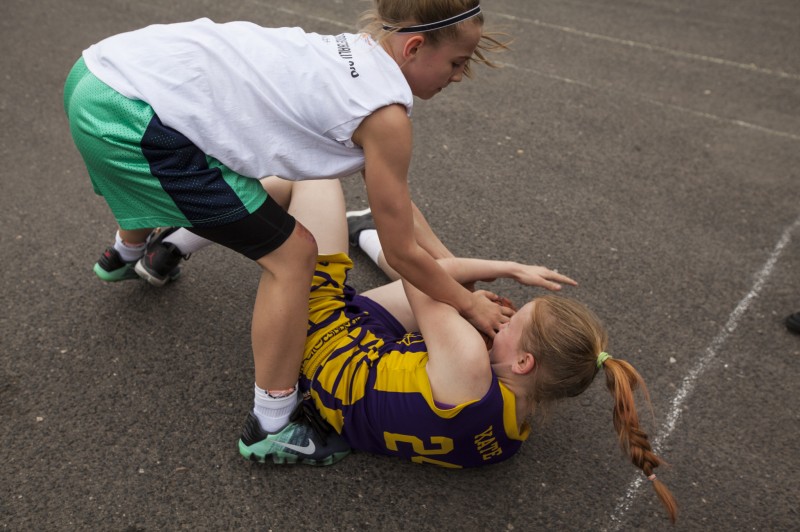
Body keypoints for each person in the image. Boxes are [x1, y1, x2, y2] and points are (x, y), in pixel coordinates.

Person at [63, 1, 513, 464]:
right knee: (294, 256)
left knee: (209, 168)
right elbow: (400, 252)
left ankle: (125, 254)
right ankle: (272, 425)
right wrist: (467, 304)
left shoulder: (360, 54)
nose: (459, 76)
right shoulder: (386, 116)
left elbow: (396, 206)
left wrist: (448, 265)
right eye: (457, 63)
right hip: (127, 117)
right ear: (414, 47)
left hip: (100, 74)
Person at [243, 176, 678, 522]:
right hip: (362, 381)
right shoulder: (511, 434)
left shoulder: (469, 361)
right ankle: (365, 233)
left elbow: (418, 269)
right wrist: (469, 312)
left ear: (523, 362)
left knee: (314, 177)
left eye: (513, 322)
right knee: (452, 297)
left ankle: (203, 219)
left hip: (321, 346)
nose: (504, 318)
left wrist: (505, 269)